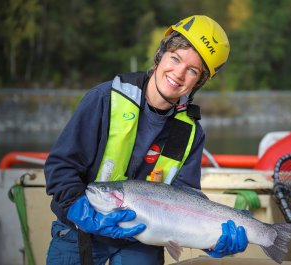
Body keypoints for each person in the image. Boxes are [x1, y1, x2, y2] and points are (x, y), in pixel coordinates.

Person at [44, 15, 248, 265]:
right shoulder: (104, 99)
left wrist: (211, 238)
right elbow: (60, 167)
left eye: (192, 71)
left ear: (199, 82)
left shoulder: (191, 133)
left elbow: (186, 202)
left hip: (141, 242)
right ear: (160, 54)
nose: (179, 74)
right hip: (78, 232)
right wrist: (81, 211)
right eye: (175, 58)